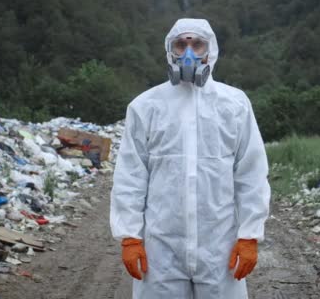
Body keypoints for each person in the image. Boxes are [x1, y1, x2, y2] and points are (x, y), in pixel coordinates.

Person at [110, 18, 271, 299]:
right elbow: (131, 176)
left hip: (220, 247)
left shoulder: (234, 104)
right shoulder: (145, 106)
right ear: (169, 50)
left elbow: (251, 173)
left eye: (197, 44)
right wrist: (130, 236)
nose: (188, 52)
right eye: (180, 44)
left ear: (211, 50)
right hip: (161, 249)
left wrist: (249, 235)